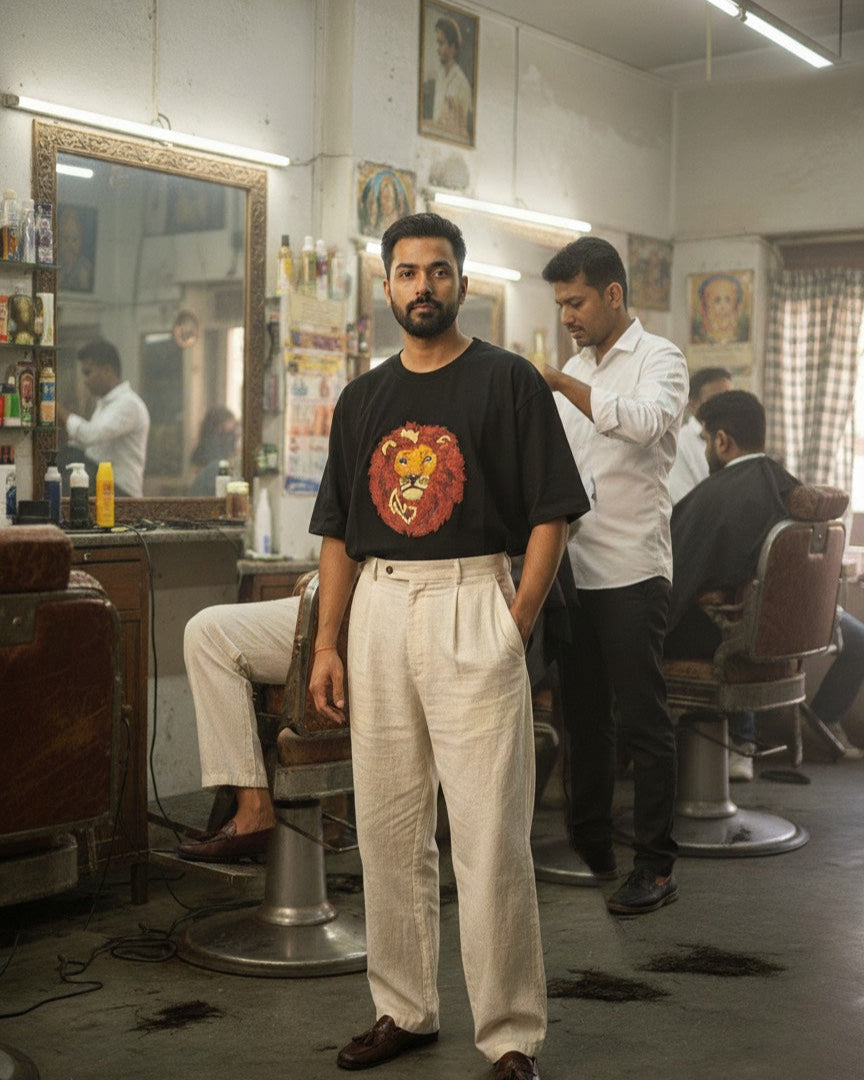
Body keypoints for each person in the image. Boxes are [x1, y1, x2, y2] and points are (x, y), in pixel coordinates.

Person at [309, 212, 589, 1080]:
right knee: (388, 829)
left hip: (476, 598)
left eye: (438, 271)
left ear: (462, 284)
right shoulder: (362, 399)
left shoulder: (508, 382)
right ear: (385, 286)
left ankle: (509, 1034)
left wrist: (517, 620)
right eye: (406, 272)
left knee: (489, 835)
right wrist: (328, 642)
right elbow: (336, 533)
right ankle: (403, 1007)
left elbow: (552, 513)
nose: (422, 286)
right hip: (380, 608)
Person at [541, 235, 688, 917]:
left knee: (642, 720)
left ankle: (656, 865)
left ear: (613, 294)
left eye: (575, 302)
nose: (567, 315)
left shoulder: (660, 360)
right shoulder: (575, 364)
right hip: (576, 568)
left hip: (633, 567)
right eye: (561, 304)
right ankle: (594, 846)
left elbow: (648, 423)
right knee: (584, 719)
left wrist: (563, 384)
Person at [666, 389, 864, 768]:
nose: (708, 448)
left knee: (628, 632)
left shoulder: (713, 497)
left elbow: (675, 576)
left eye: (707, 440)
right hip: (787, 640)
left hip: (732, 642)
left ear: (722, 440)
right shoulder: (791, 488)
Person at [56, 340, 150, 498]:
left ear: (107, 371)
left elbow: (90, 436)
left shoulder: (129, 404)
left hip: (122, 493)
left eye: (88, 372)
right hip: (103, 485)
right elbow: (89, 447)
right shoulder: (105, 404)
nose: (85, 381)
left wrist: (59, 412)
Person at [667, 365, 732, 505]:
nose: (725, 405)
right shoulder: (679, 443)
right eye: (715, 399)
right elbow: (685, 505)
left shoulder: (735, 437)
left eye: (729, 397)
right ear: (693, 404)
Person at [429, 16, 472, 142]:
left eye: (441, 43)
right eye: (438, 43)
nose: (438, 49)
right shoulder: (440, 76)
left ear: (453, 47)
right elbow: (437, 119)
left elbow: (461, 133)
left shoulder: (462, 84)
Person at [190, 405, 238, 495]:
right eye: (230, 422)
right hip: (208, 489)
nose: (234, 427)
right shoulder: (213, 442)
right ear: (222, 423)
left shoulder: (209, 440)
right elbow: (216, 467)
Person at [691, 273, 749, 345]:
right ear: (705, 306)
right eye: (717, 300)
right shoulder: (700, 335)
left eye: (727, 300)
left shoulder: (740, 332)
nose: (723, 306)